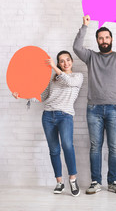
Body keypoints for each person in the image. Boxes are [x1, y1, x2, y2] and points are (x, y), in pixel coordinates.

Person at [73, 15, 116, 195]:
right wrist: (84, 26)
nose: (104, 40)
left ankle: (113, 181)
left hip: (115, 109)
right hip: (94, 109)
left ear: (111, 39)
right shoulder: (90, 57)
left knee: (115, 147)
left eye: (107, 37)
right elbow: (77, 47)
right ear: (97, 41)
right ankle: (95, 182)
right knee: (95, 147)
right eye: (100, 38)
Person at [12, 51, 83, 197]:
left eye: (67, 60)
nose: (65, 63)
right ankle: (59, 182)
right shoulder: (54, 79)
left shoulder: (77, 77)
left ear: (72, 61)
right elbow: (43, 96)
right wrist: (22, 95)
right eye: (61, 61)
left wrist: (54, 68)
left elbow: (69, 82)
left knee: (67, 146)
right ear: (59, 63)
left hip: (65, 116)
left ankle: (73, 179)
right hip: (48, 116)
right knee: (54, 150)